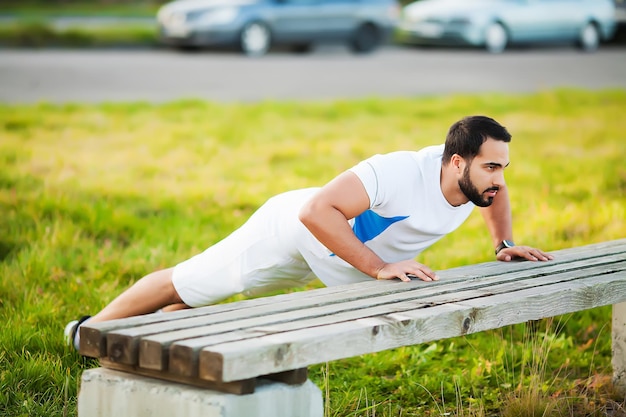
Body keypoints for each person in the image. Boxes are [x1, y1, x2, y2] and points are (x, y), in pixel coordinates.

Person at [64, 115, 553, 350]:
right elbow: (317, 211)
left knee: (203, 299)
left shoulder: (478, 181)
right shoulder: (400, 172)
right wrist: (380, 267)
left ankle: (149, 337)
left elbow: (499, 194)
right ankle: (86, 333)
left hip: (343, 264)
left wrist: (504, 245)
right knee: (189, 283)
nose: (499, 179)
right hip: (294, 233)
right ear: (457, 162)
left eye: (503, 168)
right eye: (491, 167)